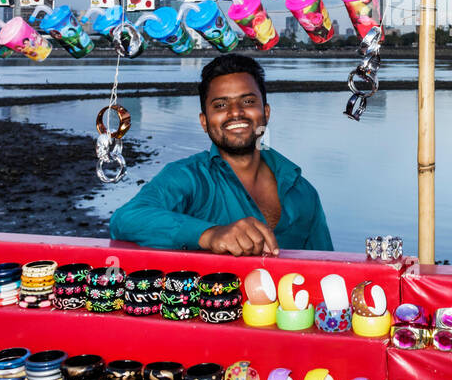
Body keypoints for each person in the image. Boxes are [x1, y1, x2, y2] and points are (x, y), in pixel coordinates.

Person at [110, 53, 332, 255]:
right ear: (204, 122)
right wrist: (210, 234)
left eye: (247, 101)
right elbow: (125, 219)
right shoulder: (188, 178)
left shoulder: (303, 191)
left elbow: (328, 267)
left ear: (265, 112)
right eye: (220, 105)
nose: (235, 112)